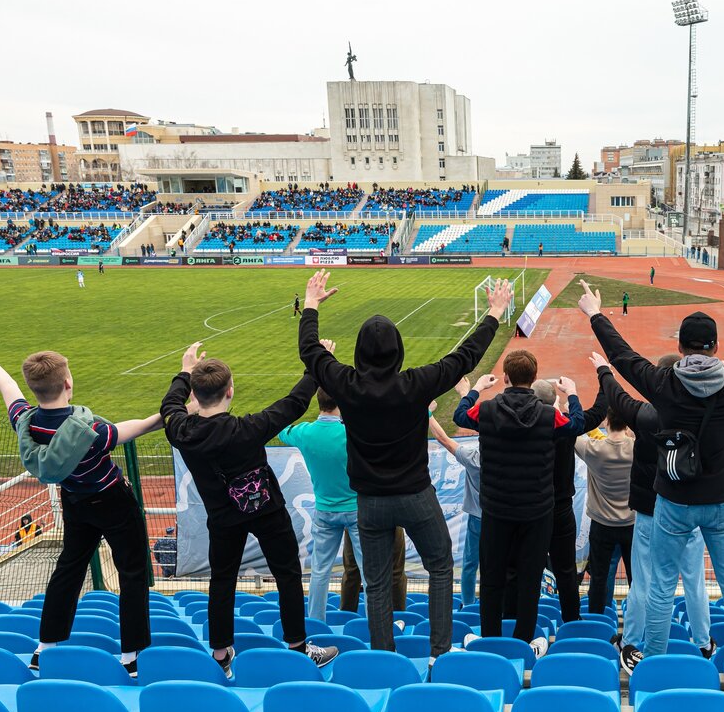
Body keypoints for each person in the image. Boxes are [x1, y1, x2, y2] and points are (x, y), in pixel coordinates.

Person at [298, 270, 512, 662]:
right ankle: (438, 653)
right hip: (416, 496)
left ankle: (384, 658)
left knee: (376, 583)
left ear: (360, 352)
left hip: (371, 503)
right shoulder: (416, 384)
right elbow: (464, 357)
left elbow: (311, 353)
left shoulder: (346, 384)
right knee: (441, 567)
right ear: (397, 349)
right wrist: (495, 312)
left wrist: (311, 305)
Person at [579, 280, 724, 664]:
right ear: (716, 348)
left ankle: (657, 665)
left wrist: (595, 313)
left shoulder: (664, 382)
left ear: (680, 348)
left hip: (673, 501)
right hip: (723, 503)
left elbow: (622, 355)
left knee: (660, 587)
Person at [0, 337, 159, 675]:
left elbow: (5, 384)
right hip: (113, 502)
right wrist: (176, 413)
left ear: (34, 390)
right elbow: (139, 427)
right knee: (132, 573)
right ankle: (132, 655)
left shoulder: (26, 423)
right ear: (68, 383)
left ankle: (45, 646)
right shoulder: (91, 429)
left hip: (75, 502)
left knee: (68, 571)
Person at [162, 341, 337, 676]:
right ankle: (298, 649)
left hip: (222, 518)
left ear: (195, 396)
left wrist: (184, 372)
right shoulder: (248, 429)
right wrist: (315, 365)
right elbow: (295, 402)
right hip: (266, 509)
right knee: (287, 575)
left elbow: (170, 404)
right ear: (230, 390)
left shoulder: (181, 430)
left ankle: (220, 654)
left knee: (222, 581)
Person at [453, 352, 586, 657]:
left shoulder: (486, 410)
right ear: (534, 376)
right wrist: (573, 393)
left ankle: (490, 639)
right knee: (529, 579)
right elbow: (576, 423)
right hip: (536, 511)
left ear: (507, 378)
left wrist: (475, 389)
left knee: (492, 577)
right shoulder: (548, 415)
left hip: (497, 509)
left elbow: (461, 416)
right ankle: (524, 641)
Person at [279, 384, 366, 622]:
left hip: (325, 510)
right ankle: (374, 622)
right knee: (369, 572)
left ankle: (317, 622)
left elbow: (282, 428)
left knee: (320, 571)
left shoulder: (305, 432)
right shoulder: (354, 432)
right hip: (356, 509)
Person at [529, 377, 608, 623]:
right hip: (561, 507)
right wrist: (574, 393)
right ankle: (572, 620)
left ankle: (524, 620)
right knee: (565, 570)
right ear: (554, 401)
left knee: (528, 569)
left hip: (532, 508)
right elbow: (595, 414)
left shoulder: (523, 425)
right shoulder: (566, 427)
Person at [575, 407, 636, 615]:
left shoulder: (594, 449)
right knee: (636, 577)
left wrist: (564, 406)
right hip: (632, 524)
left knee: (599, 578)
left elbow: (571, 430)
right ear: (627, 425)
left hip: (602, 525)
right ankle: (639, 621)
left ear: (607, 422)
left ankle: (597, 620)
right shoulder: (638, 447)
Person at [427, 388, 483, 606]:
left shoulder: (473, 457)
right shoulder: (510, 454)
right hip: (504, 517)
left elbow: (442, 438)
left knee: (470, 564)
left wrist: (428, 414)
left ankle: (468, 605)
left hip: (478, 518)